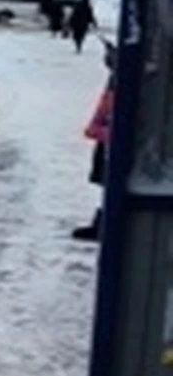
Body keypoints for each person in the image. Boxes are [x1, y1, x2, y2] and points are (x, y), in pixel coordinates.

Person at [73, 41, 116, 242]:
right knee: (107, 175)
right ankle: (104, 222)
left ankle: (106, 224)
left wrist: (116, 59)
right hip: (111, 116)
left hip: (117, 122)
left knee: (112, 174)